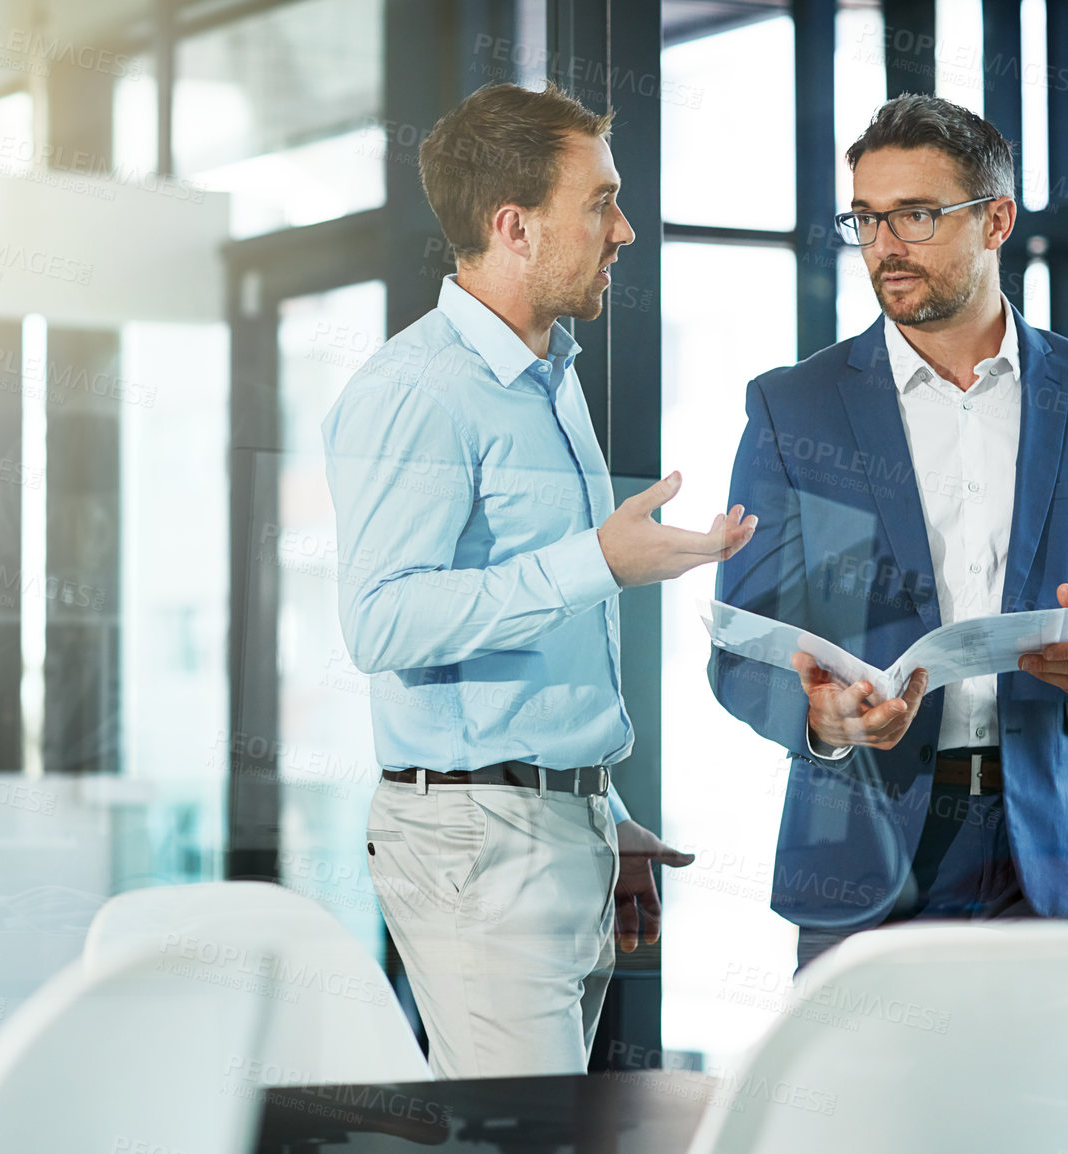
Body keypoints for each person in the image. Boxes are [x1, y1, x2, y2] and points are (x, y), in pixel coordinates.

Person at [708, 94, 1068, 970]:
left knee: (1050, 1111)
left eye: (915, 215)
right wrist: (820, 716)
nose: (885, 248)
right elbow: (739, 647)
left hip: (1053, 859)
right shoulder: (793, 407)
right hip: (861, 857)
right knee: (863, 1112)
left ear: (997, 220)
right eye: (865, 219)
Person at [322, 82, 756, 1078]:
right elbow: (380, 622)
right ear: (512, 226)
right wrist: (594, 561)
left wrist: (597, 812)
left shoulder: (549, 376)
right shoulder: (414, 391)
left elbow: (541, 649)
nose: (626, 229)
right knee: (530, 1133)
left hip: (561, 829)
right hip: (478, 842)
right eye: (599, 201)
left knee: (542, 1124)